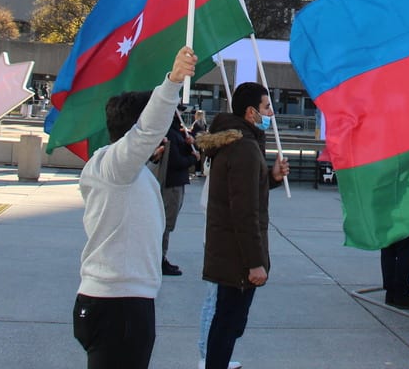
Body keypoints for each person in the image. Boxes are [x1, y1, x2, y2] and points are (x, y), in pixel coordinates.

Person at [72, 46, 197, 369]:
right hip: (118, 305)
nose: (164, 137)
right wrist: (172, 82)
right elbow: (146, 132)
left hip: (121, 301)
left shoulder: (121, 170)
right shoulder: (115, 167)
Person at [197, 82, 289, 369]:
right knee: (228, 324)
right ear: (251, 112)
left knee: (228, 323)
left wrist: (270, 178)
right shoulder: (244, 148)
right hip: (237, 258)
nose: (270, 112)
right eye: (266, 107)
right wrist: (254, 263)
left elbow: (242, 194)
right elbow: (244, 211)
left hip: (229, 252)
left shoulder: (237, 143)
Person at [160, 110, 199, 276]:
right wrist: (193, 159)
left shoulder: (177, 132)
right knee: (165, 224)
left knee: (167, 224)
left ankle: (161, 257)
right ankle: (159, 259)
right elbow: (175, 161)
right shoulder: (169, 132)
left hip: (177, 182)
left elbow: (181, 150)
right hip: (171, 184)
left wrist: (190, 143)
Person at [380, 232, 409, 309]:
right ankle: (401, 294)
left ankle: (391, 293)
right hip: (403, 221)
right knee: (407, 246)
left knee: (388, 246)